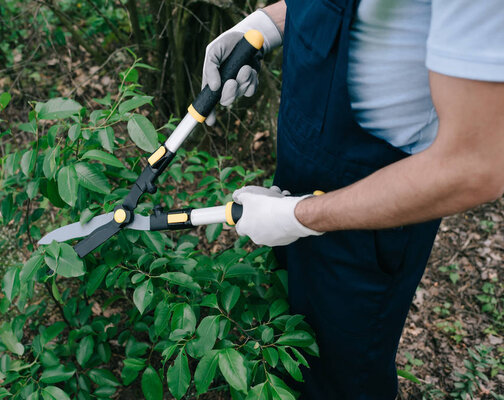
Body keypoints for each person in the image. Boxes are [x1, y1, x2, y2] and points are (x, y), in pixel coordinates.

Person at [201, 0, 504, 398]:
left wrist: (300, 216)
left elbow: (475, 166)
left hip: (376, 215)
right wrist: (266, 24)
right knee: (293, 338)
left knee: (342, 379)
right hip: (297, 167)